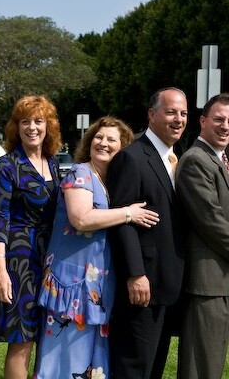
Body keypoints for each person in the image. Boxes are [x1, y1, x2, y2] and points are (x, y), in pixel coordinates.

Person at [34, 116, 160, 379]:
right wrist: (127, 213)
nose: (102, 143)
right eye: (98, 137)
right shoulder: (80, 173)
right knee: (65, 360)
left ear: (123, 147)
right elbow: (81, 219)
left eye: (111, 140)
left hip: (96, 289)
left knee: (92, 365)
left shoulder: (107, 182)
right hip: (71, 286)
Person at [106, 87, 188, 379]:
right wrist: (135, 274)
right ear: (152, 115)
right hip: (143, 285)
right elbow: (122, 220)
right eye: (170, 112)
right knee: (133, 368)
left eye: (183, 113)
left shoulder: (174, 159)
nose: (178, 119)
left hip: (167, 285)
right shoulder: (132, 157)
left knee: (154, 367)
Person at [0, 95, 61, 379]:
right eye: (25, 121)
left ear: (48, 126)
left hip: (49, 261)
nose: (32, 127)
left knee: (46, 336)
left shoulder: (53, 163)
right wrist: (1, 270)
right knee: (22, 340)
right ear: (15, 127)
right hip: (18, 264)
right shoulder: (7, 165)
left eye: (38, 121)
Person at [176, 93, 229, 379]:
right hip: (206, 284)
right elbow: (212, 222)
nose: (225, 126)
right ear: (203, 121)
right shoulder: (196, 160)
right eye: (219, 119)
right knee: (202, 368)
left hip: (222, 281)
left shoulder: (220, 159)